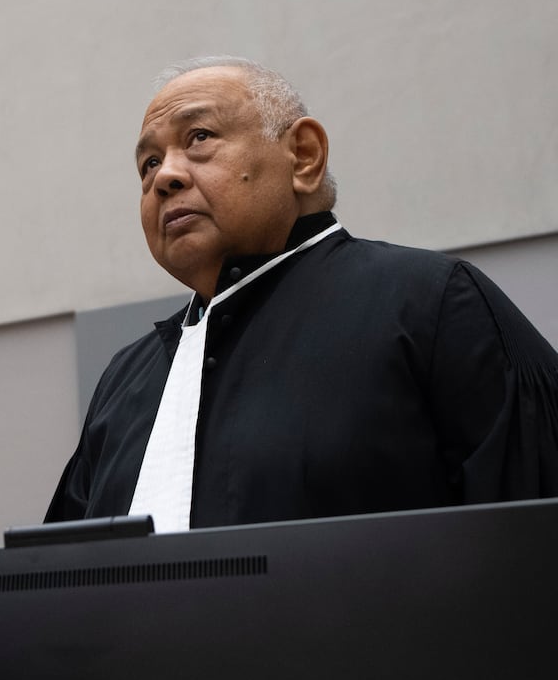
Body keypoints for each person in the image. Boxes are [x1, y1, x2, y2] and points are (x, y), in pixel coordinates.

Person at [47, 56, 558, 531]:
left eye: (199, 137)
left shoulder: (434, 304)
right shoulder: (124, 380)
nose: (166, 177)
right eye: (148, 164)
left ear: (304, 155)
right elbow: (59, 584)